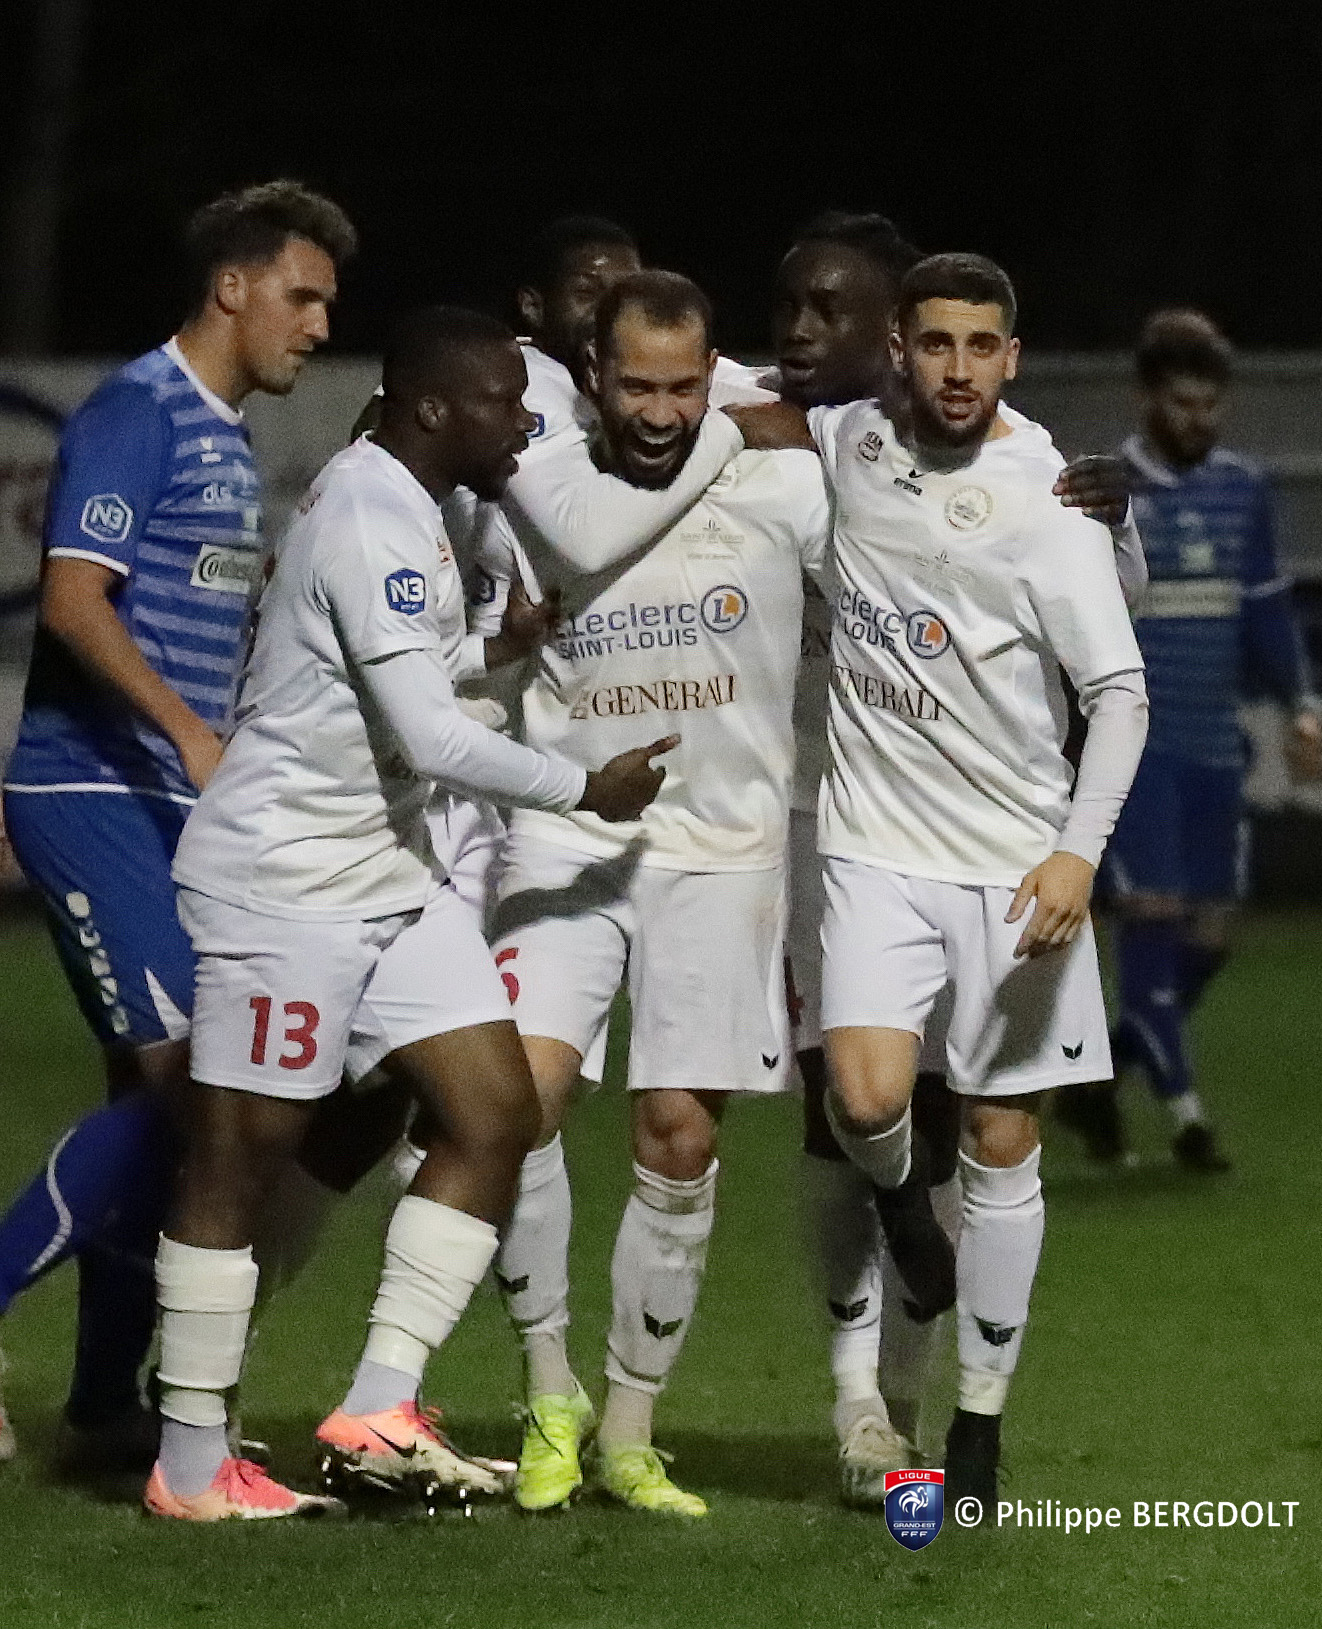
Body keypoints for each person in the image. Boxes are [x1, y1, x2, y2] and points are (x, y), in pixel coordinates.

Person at [141, 305, 672, 1521]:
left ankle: (379, 1406)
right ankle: (188, 1461)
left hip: (383, 870)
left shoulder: (412, 505)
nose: (524, 420)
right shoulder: (370, 516)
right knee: (238, 1156)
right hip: (286, 883)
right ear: (432, 410)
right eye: (501, 401)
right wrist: (583, 789)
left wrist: (494, 648)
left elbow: (394, 683)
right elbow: (428, 736)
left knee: (496, 1113)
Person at [770, 212, 1146, 1505]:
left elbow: (1117, 691)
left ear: (1010, 358)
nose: (955, 368)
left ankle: (974, 1427)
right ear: (898, 347)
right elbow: (714, 396)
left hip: (1010, 866)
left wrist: (1074, 857)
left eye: (980, 347)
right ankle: (897, 1211)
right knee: (863, 1097)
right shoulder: (844, 440)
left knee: (996, 1140)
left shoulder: (1047, 496)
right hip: (872, 849)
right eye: (934, 343)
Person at [0, 182, 357, 1466]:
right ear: (231, 285)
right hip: (93, 793)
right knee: (185, 1102)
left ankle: (102, 1407)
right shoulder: (136, 411)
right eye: (302, 296)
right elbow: (72, 599)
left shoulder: (224, 437)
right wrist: (185, 731)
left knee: (166, 1117)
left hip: (167, 805)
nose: (319, 324)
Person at [477, 270, 836, 1517]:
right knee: (515, 1103)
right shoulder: (533, 488)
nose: (661, 411)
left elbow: (904, 586)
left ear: (712, 376)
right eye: (636, 385)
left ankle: (630, 1427)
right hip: (564, 837)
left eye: (685, 387)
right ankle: (549, 1393)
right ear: (591, 374)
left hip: (722, 853)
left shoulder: (781, 484)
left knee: (678, 1135)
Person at [1057, 310, 1322, 1172]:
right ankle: (1187, 1118)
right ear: (1145, 399)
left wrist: (1300, 707)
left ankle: (1097, 1080)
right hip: (1137, 753)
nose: (1198, 419)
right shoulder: (1104, 492)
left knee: (1209, 938)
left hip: (1215, 746)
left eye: (1210, 404)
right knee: (1151, 916)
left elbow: (1264, 608)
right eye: (1182, 402)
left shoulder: (1242, 489)